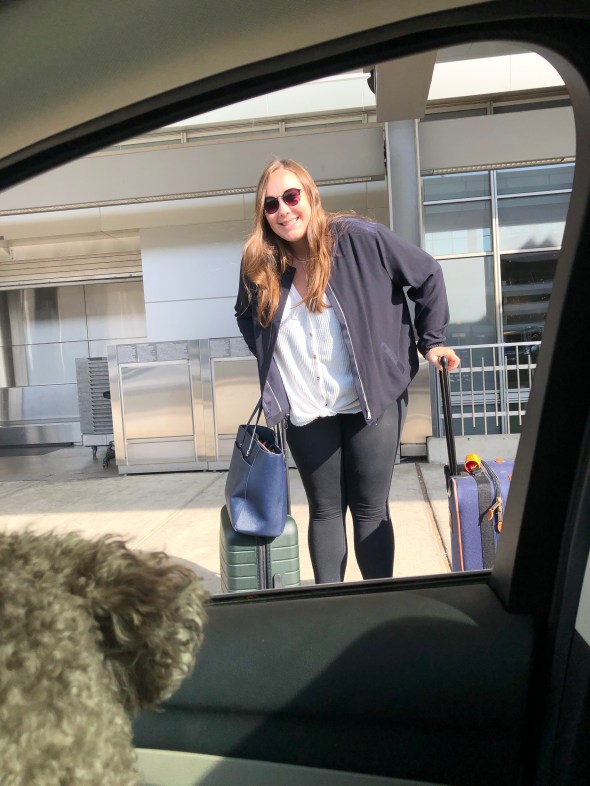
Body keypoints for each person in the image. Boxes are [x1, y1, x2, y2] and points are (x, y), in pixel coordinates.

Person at [235, 158, 460, 584]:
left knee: (370, 508)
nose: (283, 210)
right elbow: (246, 316)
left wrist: (432, 341)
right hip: (306, 403)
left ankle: (377, 603)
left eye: (291, 196)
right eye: (271, 204)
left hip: (370, 396)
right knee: (324, 510)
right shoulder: (261, 265)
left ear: (310, 195)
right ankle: (330, 605)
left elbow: (427, 274)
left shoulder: (357, 239)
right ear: (263, 214)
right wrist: (273, 364)